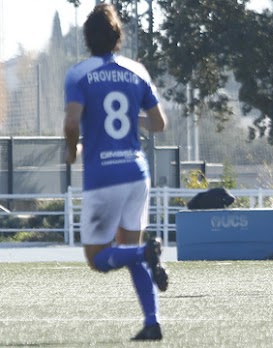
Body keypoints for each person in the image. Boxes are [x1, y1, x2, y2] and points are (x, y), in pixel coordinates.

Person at [63, 4, 169, 340]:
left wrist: (70, 149)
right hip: (137, 174)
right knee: (129, 247)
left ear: (87, 39)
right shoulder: (136, 71)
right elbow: (158, 124)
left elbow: (70, 122)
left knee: (98, 259)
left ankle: (145, 253)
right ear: (117, 37)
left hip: (103, 177)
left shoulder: (79, 74)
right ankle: (152, 323)